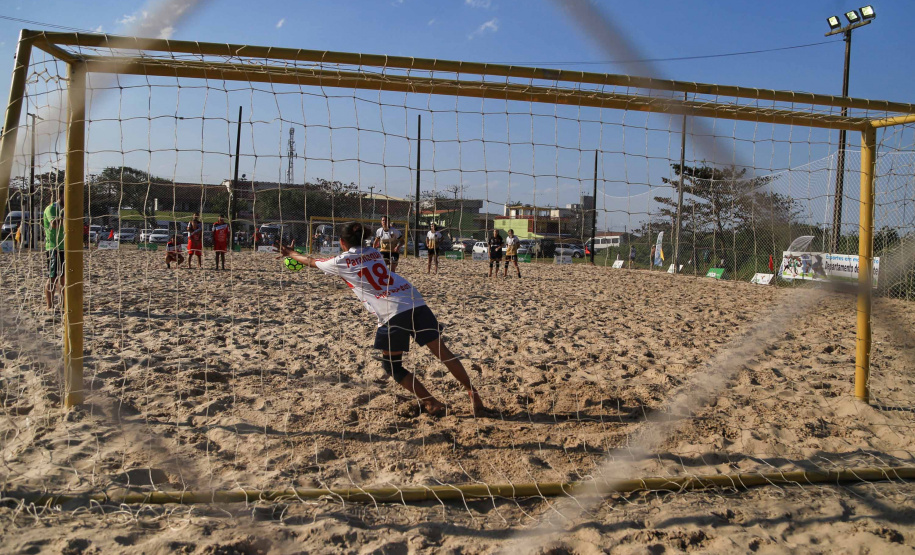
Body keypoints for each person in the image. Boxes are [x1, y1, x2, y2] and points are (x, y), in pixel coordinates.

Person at [280, 221, 486, 417]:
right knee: (444, 353)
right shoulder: (374, 252)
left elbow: (311, 262)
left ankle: (431, 402)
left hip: (392, 312)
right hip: (414, 300)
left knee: (392, 366)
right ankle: (473, 393)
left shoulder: (340, 262)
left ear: (342, 242)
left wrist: (290, 253)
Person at [43, 192, 65, 309]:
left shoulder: (69, 208)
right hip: (54, 247)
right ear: (61, 195)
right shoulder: (52, 208)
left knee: (64, 278)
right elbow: (54, 224)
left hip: (67, 247)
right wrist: (66, 217)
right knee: (53, 277)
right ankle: (49, 306)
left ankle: (64, 304)